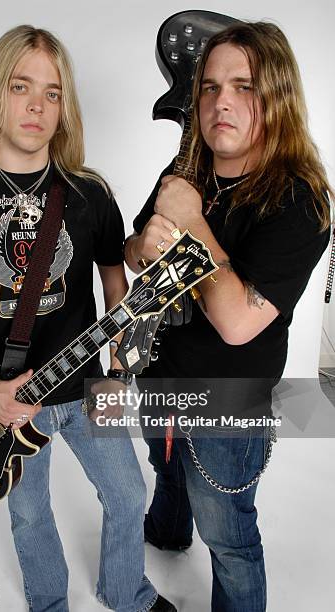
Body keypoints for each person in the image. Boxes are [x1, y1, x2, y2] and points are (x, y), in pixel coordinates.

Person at [0, 25, 176, 612]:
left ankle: (127, 593)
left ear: (65, 108)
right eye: (21, 86)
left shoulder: (89, 193)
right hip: (7, 402)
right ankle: (48, 603)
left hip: (91, 386)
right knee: (30, 512)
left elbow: (118, 292)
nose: (37, 105)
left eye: (53, 92)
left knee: (128, 495)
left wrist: (120, 368)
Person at [124, 21, 332, 612]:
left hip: (228, 403)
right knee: (164, 467)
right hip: (160, 375)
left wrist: (192, 226)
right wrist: (146, 244)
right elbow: (131, 248)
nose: (221, 103)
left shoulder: (301, 201)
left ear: (277, 96)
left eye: (243, 86)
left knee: (228, 536)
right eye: (210, 87)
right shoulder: (188, 166)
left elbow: (239, 323)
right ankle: (167, 531)